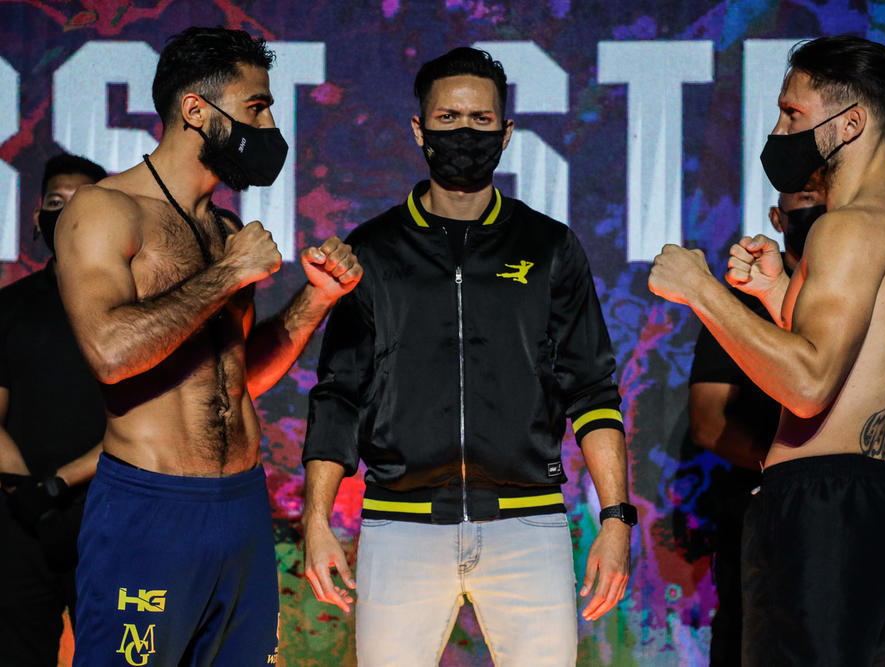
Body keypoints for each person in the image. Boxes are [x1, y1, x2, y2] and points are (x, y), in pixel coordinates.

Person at [301, 47, 633, 666]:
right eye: (448, 119)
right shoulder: (371, 250)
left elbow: (592, 390)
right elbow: (339, 393)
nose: (464, 133)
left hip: (529, 526)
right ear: (419, 129)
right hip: (400, 527)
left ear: (505, 133)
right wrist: (316, 519)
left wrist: (615, 519)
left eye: (481, 120)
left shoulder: (548, 246)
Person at [649, 35, 885, 666]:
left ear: (851, 123)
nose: (778, 132)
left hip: (820, 514)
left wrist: (701, 290)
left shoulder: (848, 226)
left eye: (792, 114)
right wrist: (775, 294)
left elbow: (810, 386)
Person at [54, 27, 362, 666]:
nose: (270, 126)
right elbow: (110, 353)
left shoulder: (224, 227)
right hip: (150, 509)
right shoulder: (104, 210)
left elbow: (238, 377)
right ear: (196, 110)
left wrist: (317, 299)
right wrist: (227, 274)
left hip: (240, 507)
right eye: (257, 108)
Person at [688, 186, 826, 666]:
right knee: (753, 639)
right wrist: (795, 471)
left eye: (827, 196)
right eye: (805, 197)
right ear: (776, 216)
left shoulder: (863, 291)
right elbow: (708, 421)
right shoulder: (744, 298)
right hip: (761, 511)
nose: (818, 210)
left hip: (848, 507)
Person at [0, 153, 107, 666]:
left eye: (81, 202)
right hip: (21, 523)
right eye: (55, 202)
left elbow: (149, 422)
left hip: (109, 518)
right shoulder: (10, 306)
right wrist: (33, 501)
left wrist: (61, 484)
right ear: (37, 217)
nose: (65, 213)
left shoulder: (135, 307)